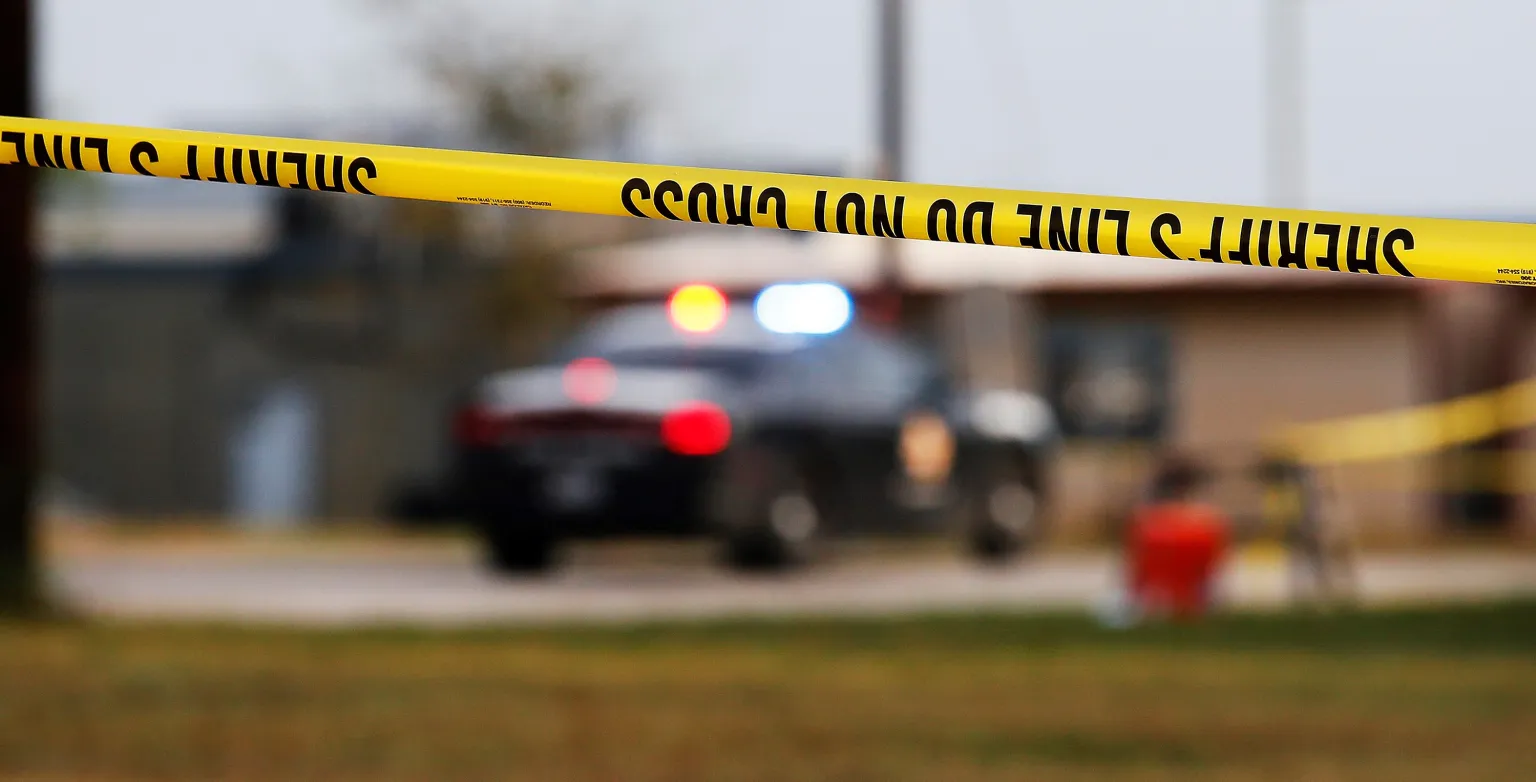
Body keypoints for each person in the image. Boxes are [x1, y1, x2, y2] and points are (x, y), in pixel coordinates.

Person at [1121, 454, 1231, 620]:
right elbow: (1213, 576)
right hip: (1194, 603)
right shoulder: (1210, 523)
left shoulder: (1144, 523)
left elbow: (1136, 576)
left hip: (1154, 603)